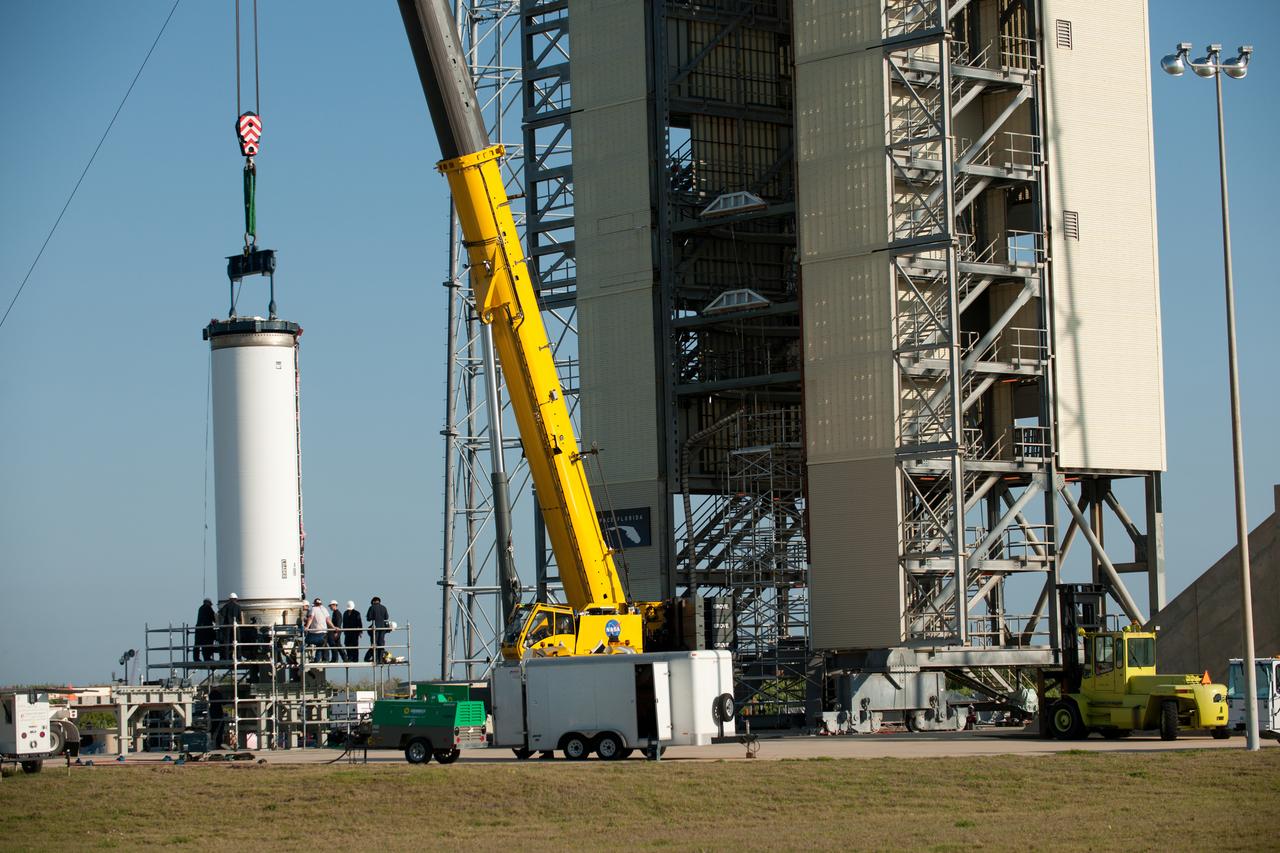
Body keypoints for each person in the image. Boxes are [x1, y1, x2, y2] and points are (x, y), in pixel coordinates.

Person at [304, 597, 332, 662]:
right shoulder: (324, 609)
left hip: (315, 632)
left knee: (306, 640)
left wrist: (307, 627)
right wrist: (334, 627)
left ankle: (316, 659)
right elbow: (328, 620)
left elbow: (310, 618)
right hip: (324, 632)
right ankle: (318, 660)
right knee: (320, 645)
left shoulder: (313, 609)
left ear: (314, 604)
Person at [218, 593, 243, 660]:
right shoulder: (238, 607)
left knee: (227, 642)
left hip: (227, 627)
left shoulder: (226, 606)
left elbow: (220, 614)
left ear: (229, 599)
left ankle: (227, 657)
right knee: (237, 642)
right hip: (235, 627)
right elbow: (240, 618)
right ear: (236, 599)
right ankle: (238, 657)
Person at [366, 596, 390, 663]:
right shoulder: (384, 607)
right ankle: (380, 659)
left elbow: (368, 618)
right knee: (381, 644)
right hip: (382, 628)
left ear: (373, 601)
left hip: (375, 628)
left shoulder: (372, 607)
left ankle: (375, 659)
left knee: (374, 644)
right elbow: (386, 617)